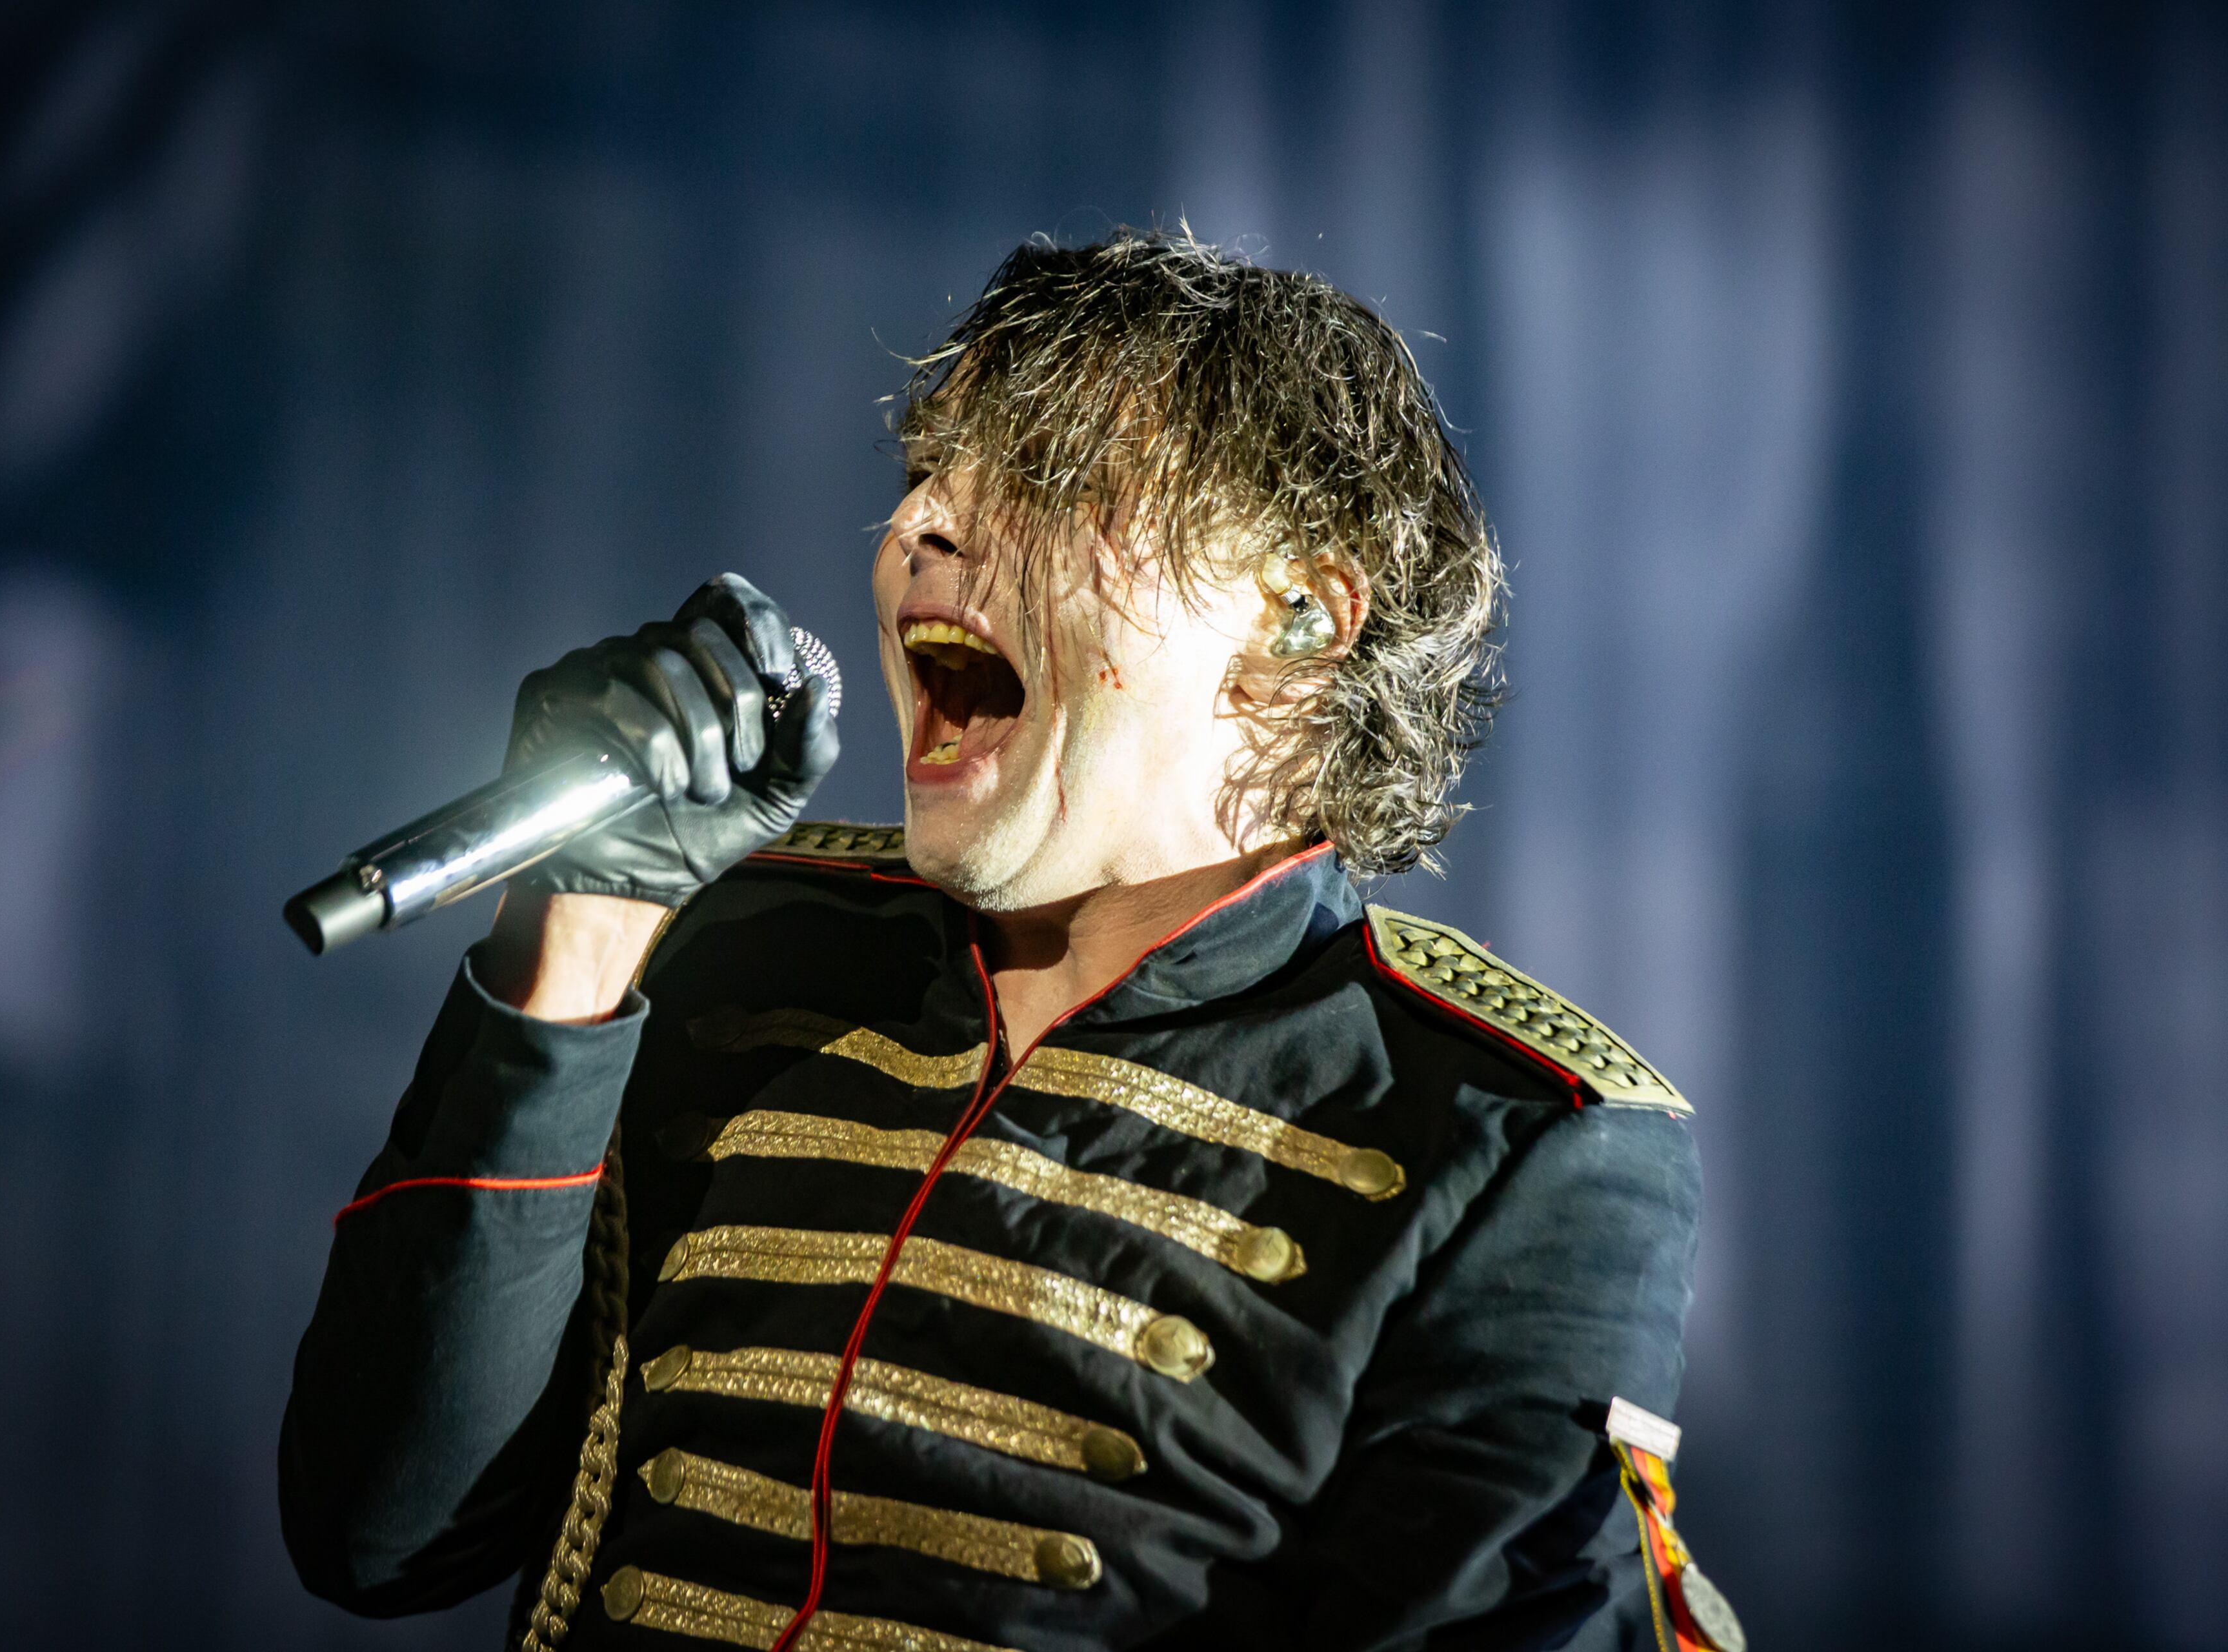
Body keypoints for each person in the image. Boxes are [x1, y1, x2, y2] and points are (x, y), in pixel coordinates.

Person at [281, 230, 1730, 1652]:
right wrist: (588, 923)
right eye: (927, 472)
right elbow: (380, 1533)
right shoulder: (740, 944)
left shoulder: (1513, 1132)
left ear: (1295, 618)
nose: (919, 525)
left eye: (1044, 477)